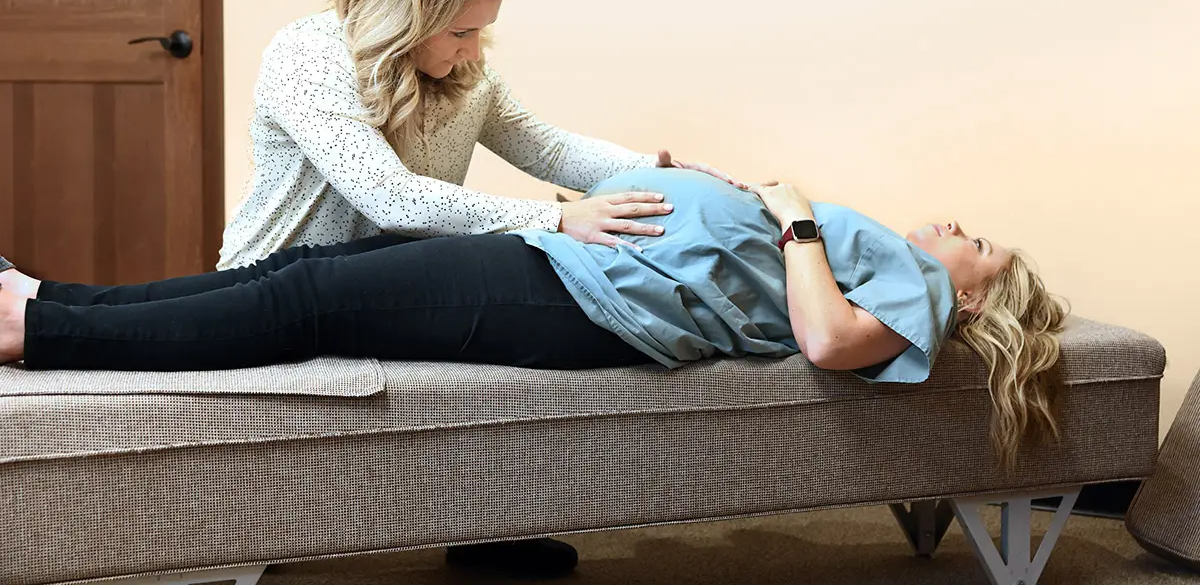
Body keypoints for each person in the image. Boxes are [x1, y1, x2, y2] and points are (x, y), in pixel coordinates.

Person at [213, 0, 739, 575]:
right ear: (408, 15)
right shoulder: (311, 55)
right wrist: (555, 219)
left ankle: (488, 519)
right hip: (277, 287)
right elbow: (390, 197)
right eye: (460, 31)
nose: (472, 48)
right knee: (516, 294)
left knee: (525, 325)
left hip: (395, 289)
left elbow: (545, 146)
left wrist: (653, 171)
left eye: (481, 31)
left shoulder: (465, 73)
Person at [0, 166, 1069, 482]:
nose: (954, 224)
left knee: (309, 301)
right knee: (312, 266)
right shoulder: (899, 266)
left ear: (974, 293)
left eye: (977, 239)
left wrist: (790, 217)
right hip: (584, 262)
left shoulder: (922, 298)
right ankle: (49, 300)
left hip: (588, 304)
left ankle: (35, 333)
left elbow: (828, 342)